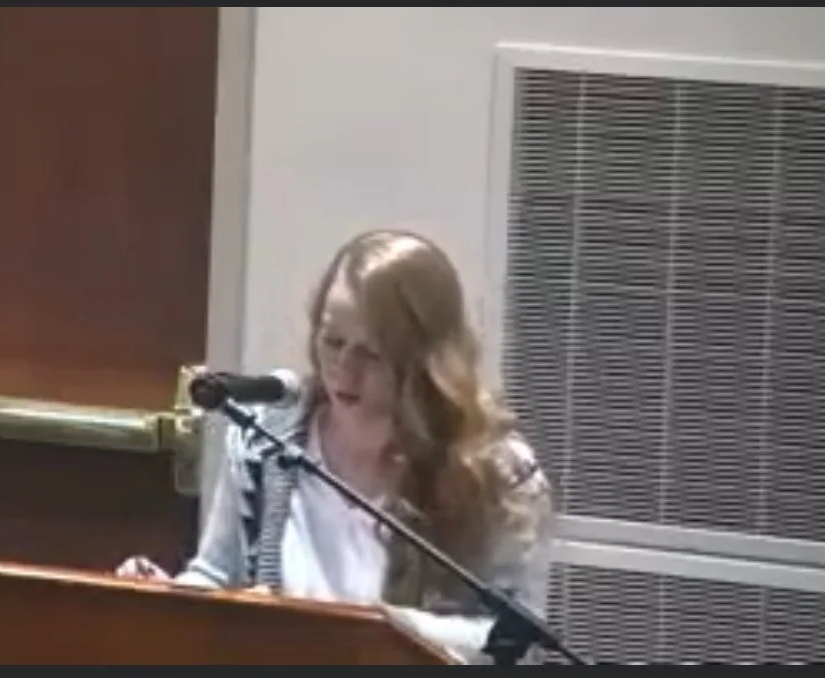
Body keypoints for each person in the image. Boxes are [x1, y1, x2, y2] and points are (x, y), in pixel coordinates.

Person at [116, 229, 555, 664]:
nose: (344, 369)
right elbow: (217, 574)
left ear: (425, 359)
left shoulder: (498, 472)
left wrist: (376, 630)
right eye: (332, 341)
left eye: (371, 353)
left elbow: (516, 643)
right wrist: (167, 600)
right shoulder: (265, 440)